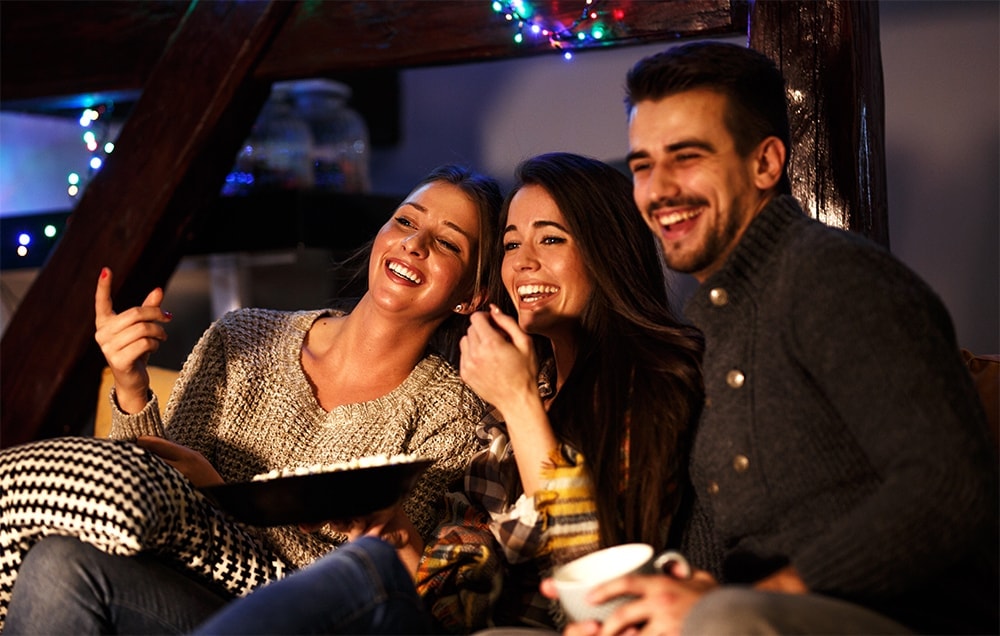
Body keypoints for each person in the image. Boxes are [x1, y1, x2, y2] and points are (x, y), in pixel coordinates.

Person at [540, 40, 999, 636]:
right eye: (643, 165)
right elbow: (714, 546)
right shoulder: (709, 320)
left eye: (686, 157)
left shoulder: (833, 277)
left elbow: (950, 490)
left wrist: (755, 597)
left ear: (765, 164)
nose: (658, 190)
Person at [185, 152, 706, 634]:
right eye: (510, 244)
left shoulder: (649, 381)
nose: (522, 262)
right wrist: (400, 534)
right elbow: (451, 603)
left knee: (361, 571)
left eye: (549, 239)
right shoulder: (506, 408)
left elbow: (591, 577)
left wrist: (521, 402)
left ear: (606, 249)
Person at [0, 164, 503, 634]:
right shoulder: (241, 337)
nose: (415, 244)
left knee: (60, 570)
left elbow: (364, 583)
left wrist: (225, 497)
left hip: (291, 619)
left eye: (447, 244)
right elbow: (149, 500)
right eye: (405, 221)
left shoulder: (451, 414)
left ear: (472, 296)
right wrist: (129, 381)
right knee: (52, 559)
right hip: (177, 591)